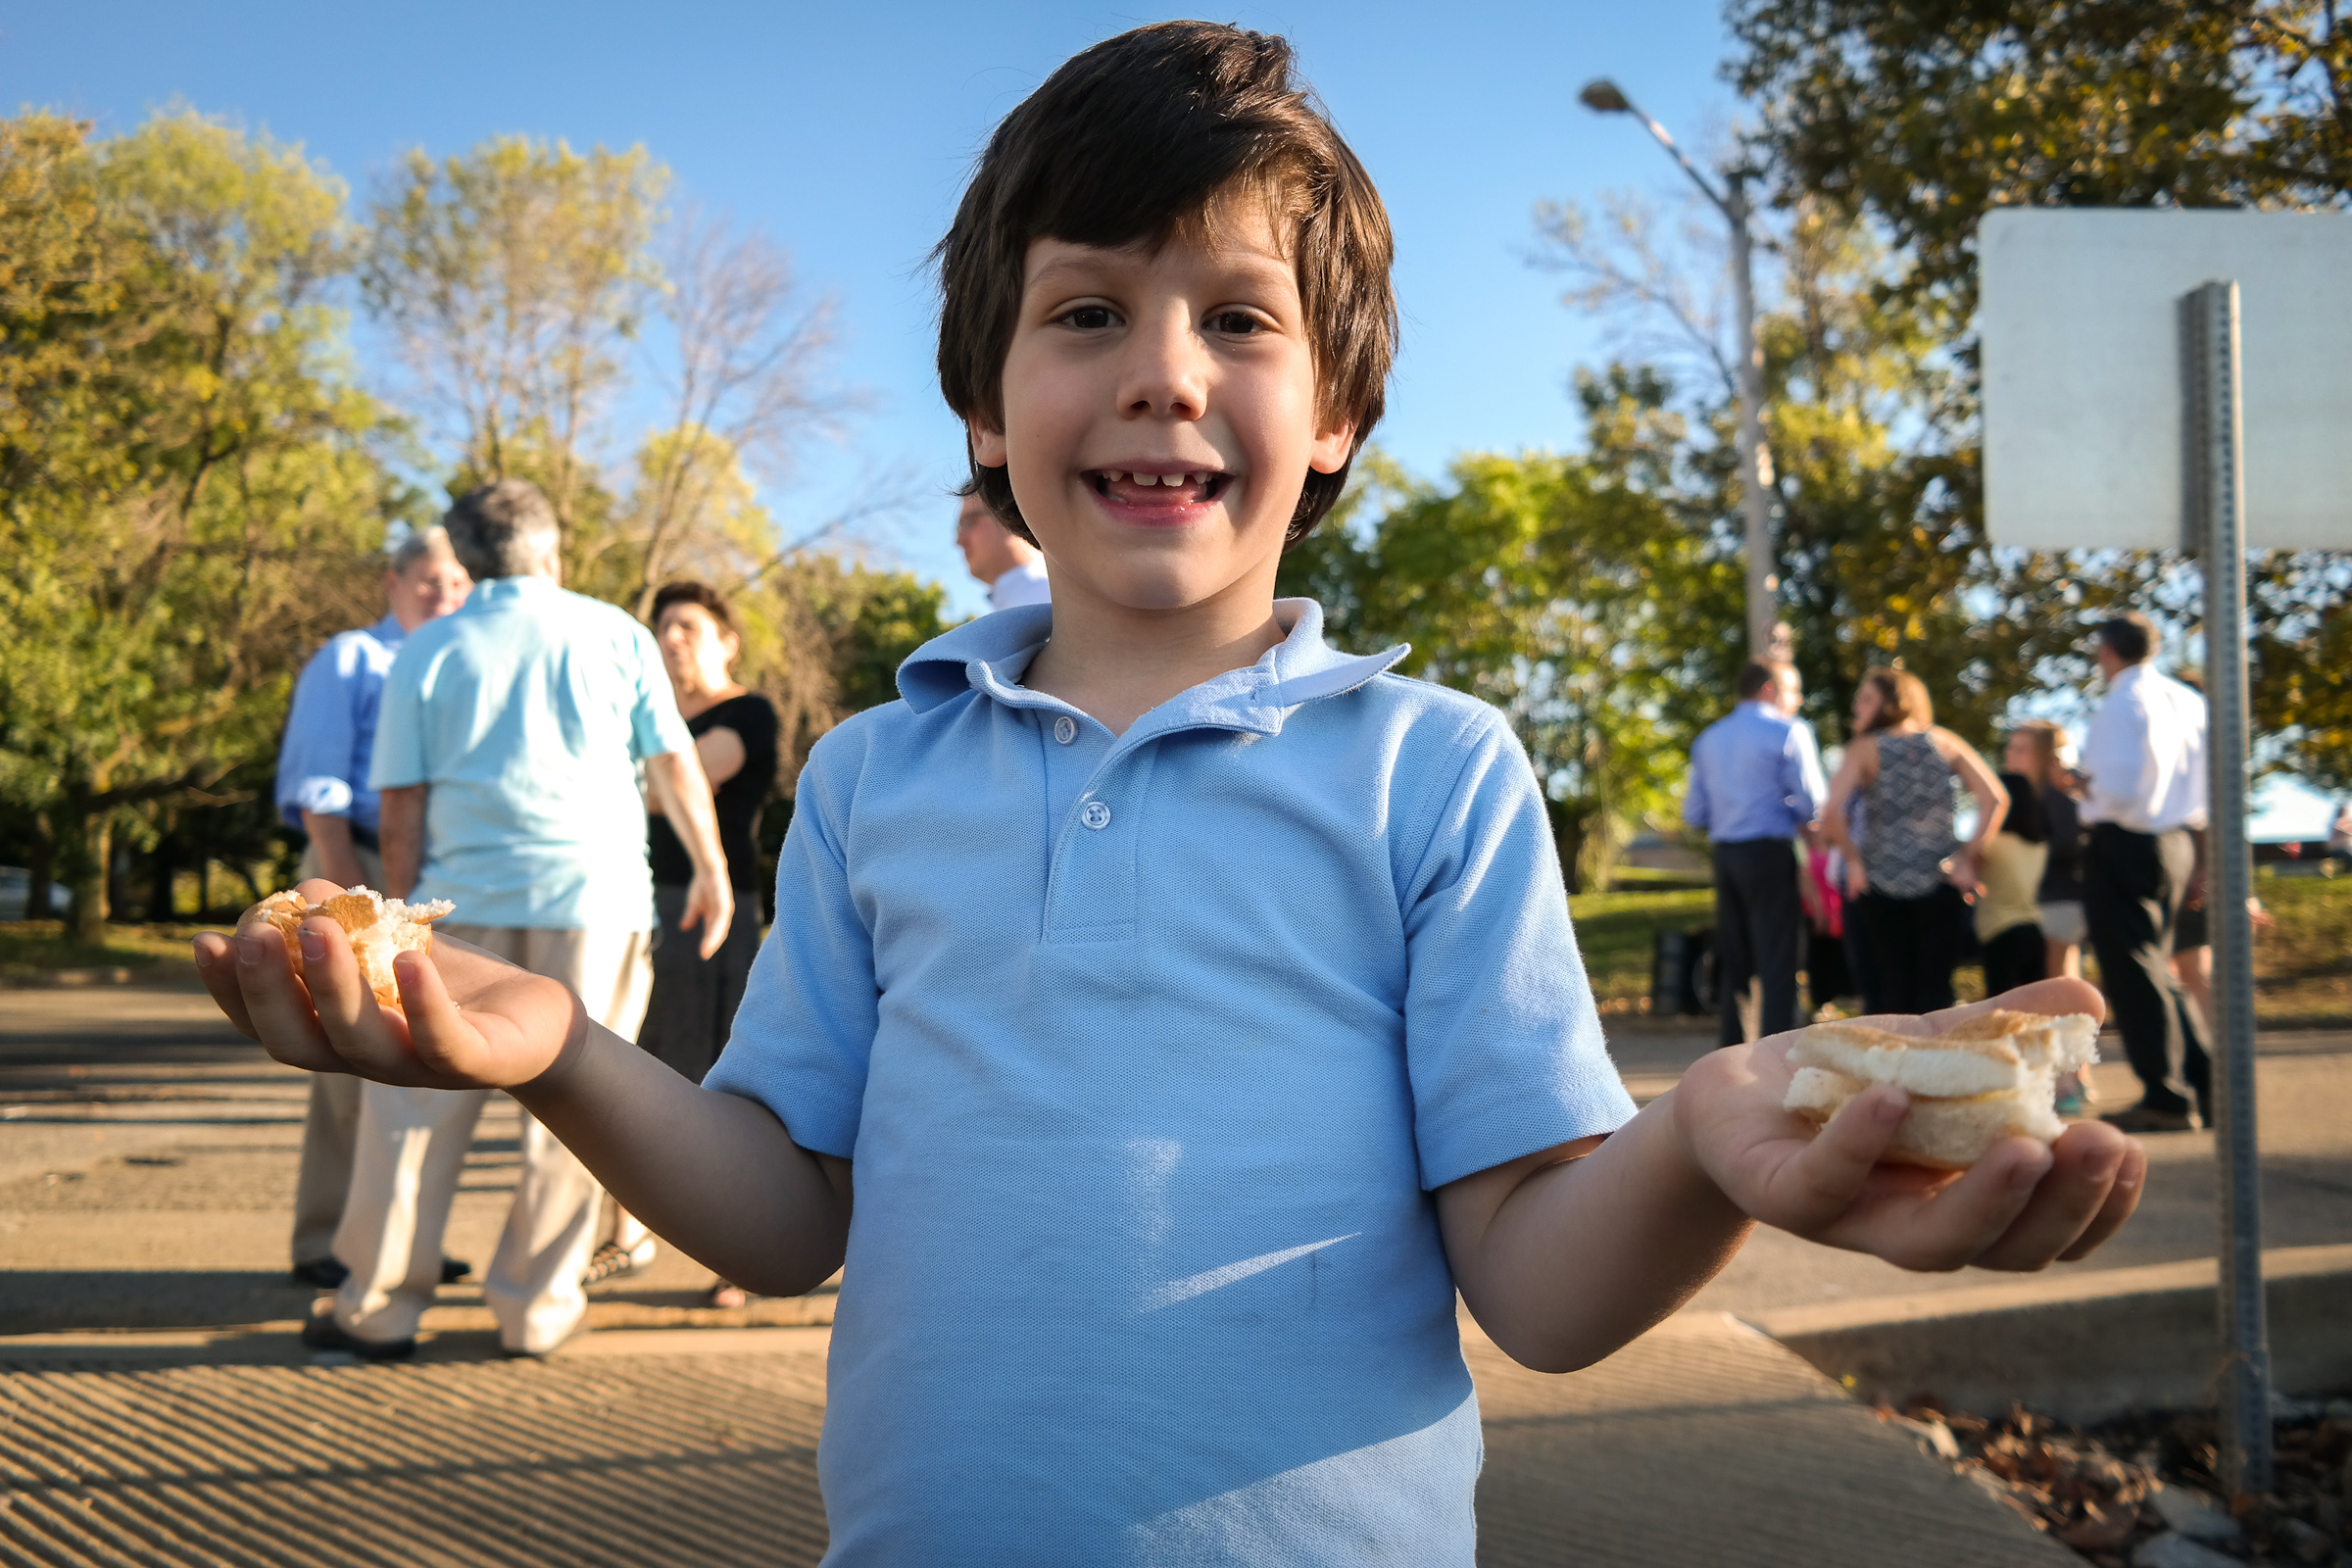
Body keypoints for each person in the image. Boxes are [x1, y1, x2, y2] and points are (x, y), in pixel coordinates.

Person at [194, 24, 2143, 1557]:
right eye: (1085, 311)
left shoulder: (1432, 772)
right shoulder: (876, 776)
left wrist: (1713, 1138)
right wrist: (556, 1054)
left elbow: (1539, 1289)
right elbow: (787, 1218)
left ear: (1344, 414)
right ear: (986, 400)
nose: (1161, 373)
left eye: (1238, 317)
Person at [302, 478, 734, 1361]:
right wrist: (713, 870)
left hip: (462, 908)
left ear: (466, 559)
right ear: (554, 547)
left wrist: (398, 910)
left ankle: (380, 1306)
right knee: (579, 1108)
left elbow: (400, 805)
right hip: (598, 904)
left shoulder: (428, 650)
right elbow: (674, 766)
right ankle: (535, 1309)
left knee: (412, 1111)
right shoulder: (617, 633)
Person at [271, 525, 472, 1288]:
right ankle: (327, 1240)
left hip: (423, 872)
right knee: (343, 1056)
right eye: (429, 580)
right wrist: (350, 897)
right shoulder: (352, 657)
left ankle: (397, 1244)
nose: (444, 595)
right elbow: (320, 789)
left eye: (458, 583)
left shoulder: (460, 664)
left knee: (409, 1059)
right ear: (392, 583)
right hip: (346, 865)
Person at [631, 579, 780, 1309]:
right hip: (636, 905)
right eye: (663, 628)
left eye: (689, 625)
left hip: (713, 910)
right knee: (643, 1065)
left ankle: (745, 1256)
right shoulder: (650, 718)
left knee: (718, 1082)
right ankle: (630, 1231)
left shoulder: (746, 713)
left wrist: (613, 776)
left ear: (728, 641)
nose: (673, 638)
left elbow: (671, 789)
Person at [2079, 613, 2211, 1134]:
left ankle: (2165, 1093)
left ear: (2107, 651)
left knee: (2134, 970)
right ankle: (2204, 1082)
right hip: (2176, 838)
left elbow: (2119, 786)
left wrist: (2080, 785)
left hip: (2126, 840)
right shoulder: (2186, 699)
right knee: (2158, 966)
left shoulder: (2122, 702)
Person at [1822, 669, 2008, 1015]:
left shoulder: (1864, 748)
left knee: (1891, 992)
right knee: (1936, 992)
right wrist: (1968, 858)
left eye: (1865, 699)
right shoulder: (1945, 742)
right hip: (1941, 881)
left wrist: (1853, 861)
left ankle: (1895, 1067)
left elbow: (1831, 811)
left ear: (1893, 703)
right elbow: (1995, 798)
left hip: (1880, 884)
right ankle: (1937, 1066)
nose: (1856, 707)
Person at [1682, 661, 1826, 1045]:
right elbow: (1814, 803)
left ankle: (1730, 1053)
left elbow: (1694, 814)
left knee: (1735, 959)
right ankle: (1776, 1051)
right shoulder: (1789, 731)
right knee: (1778, 959)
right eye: (1792, 691)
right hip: (1770, 852)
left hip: (1727, 856)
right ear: (1768, 690)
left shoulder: (1709, 739)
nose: (1795, 701)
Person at [2010, 720, 2087, 981]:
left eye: (2021, 749)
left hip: (2059, 898)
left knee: (2058, 980)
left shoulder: (2055, 795)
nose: (2010, 754)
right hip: (2051, 898)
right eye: (2011, 747)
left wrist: (2027, 859)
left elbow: (2067, 842)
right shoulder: (2032, 795)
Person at [1977, 767, 2049, 995]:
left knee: (1999, 1010)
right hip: (2035, 929)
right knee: (2036, 1010)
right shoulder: (2040, 846)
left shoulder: (1990, 843)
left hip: (1999, 930)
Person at [956, 489, 1052, 609]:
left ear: (1014, 514)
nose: (959, 541)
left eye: (969, 522)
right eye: (960, 527)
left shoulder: (1052, 600)